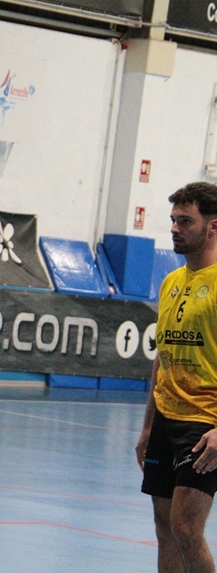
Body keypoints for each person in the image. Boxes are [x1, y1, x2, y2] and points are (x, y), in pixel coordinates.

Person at [136, 181, 217, 572]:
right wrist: (148, 426)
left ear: (213, 226)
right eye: (172, 220)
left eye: (185, 221)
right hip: (167, 419)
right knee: (165, 525)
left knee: (186, 527)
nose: (174, 228)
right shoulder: (170, 283)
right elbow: (162, 358)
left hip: (204, 424)